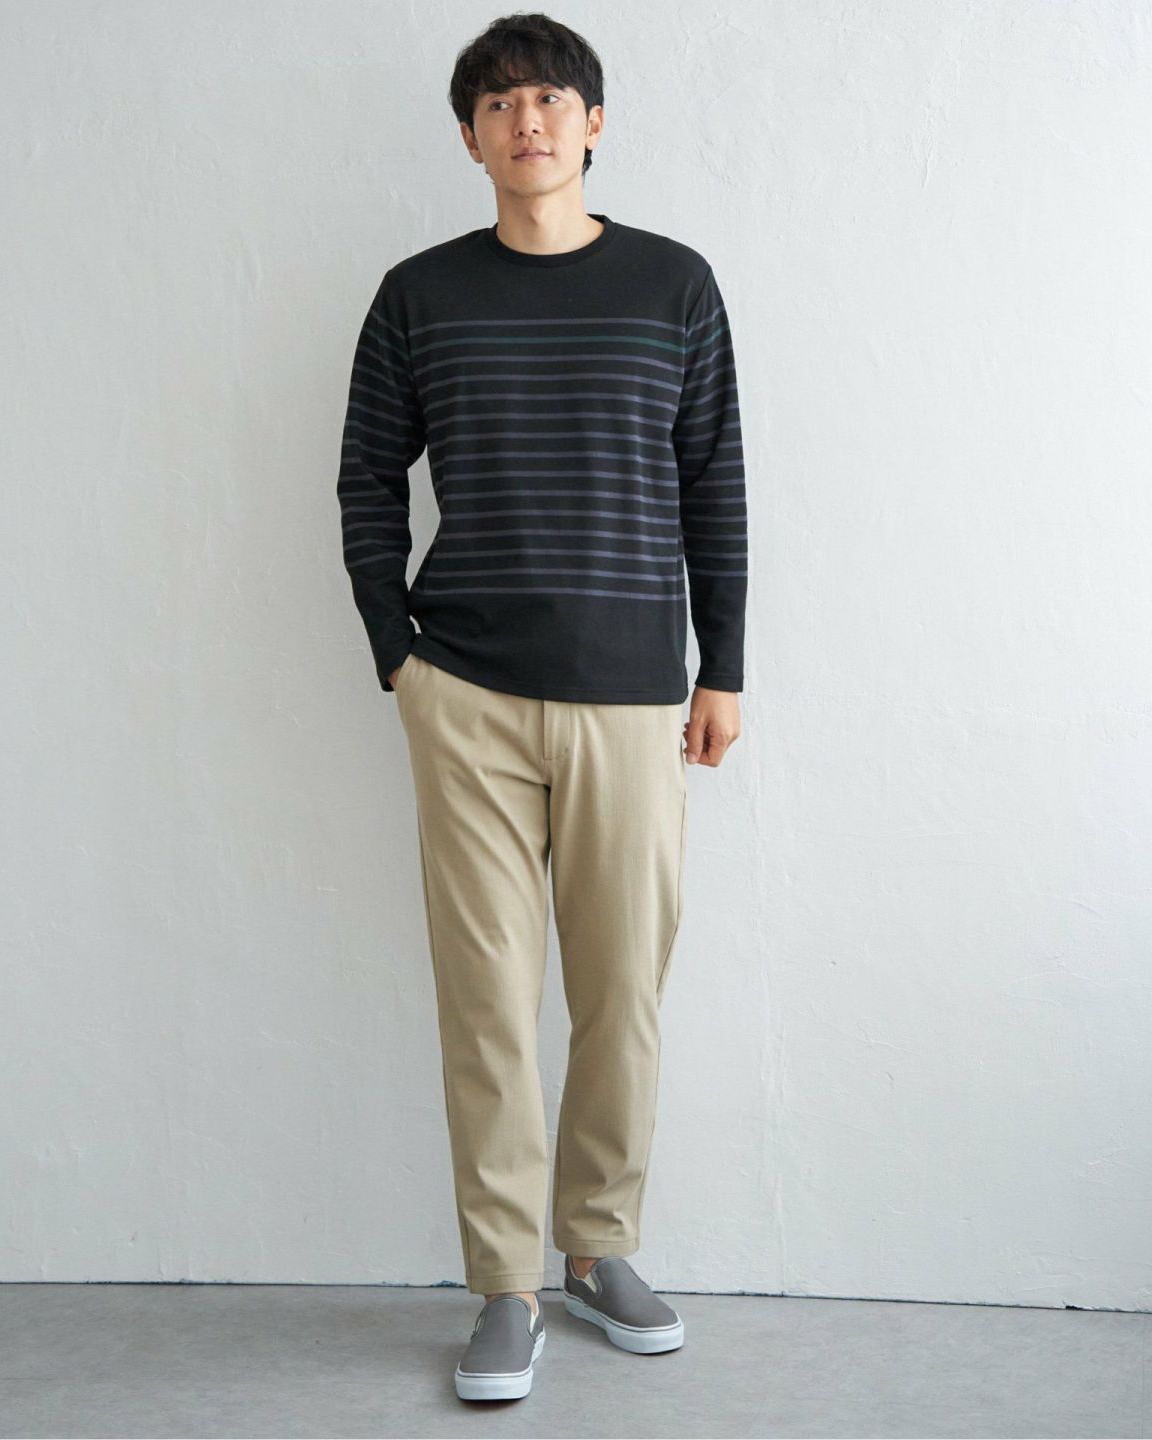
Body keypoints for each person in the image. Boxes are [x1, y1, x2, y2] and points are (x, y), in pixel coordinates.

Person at [336, 11, 747, 1402]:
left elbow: (714, 479)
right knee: (490, 1005)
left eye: (552, 99)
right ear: (471, 137)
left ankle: (598, 1246)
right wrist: (397, 655)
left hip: (634, 697)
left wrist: (723, 666)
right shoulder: (419, 295)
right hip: (466, 695)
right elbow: (366, 478)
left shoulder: (674, 285)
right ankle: (505, 1284)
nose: (529, 121)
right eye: (501, 104)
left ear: (594, 123)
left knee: (622, 990)